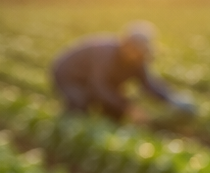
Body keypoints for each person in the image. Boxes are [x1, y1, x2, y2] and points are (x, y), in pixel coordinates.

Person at [51, 22, 195, 120]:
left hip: (97, 80)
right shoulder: (105, 54)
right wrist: (128, 108)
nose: (141, 55)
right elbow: (98, 86)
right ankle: (67, 128)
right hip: (69, 75)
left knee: (114, 110)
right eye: (138, 51)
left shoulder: (137, 60)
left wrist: (172, 99)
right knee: (81, 103)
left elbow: (148, 85)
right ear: (127, 46)